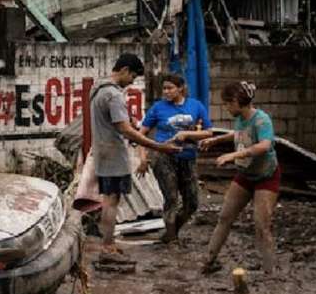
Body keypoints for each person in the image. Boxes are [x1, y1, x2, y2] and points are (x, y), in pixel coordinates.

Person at [90, 53, 178, 255]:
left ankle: (107, 243)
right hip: (113, 155)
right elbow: (126, 130)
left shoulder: (97, 89)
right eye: (132, 77)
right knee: (112, 201)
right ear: (124, 70)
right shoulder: (113, 95)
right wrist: (158, 146)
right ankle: (108, 245)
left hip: (103, 152)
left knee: (108, 199)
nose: (131, 82)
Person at [193, 81, 280, 275]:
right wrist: (217, 139)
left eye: (227, 103)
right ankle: (209, 260)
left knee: (261, 224)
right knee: (224, 217)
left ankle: (269, 271)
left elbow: (265, 145)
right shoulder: (241, 118)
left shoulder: (261, 120)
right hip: (245, 174)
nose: (225, 108)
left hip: (266, 176)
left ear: (236, 101)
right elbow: (239, 133)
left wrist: (234, 155)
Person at [136, 74, 212, 245]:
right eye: (164, 88)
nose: (166, 92)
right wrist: (143, 159)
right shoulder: (158, 108)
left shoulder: (196, 106)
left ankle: (171, 232)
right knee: (171, 198)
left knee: (192, 203)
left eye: (170, 88)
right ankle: (172, 238)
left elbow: (208, 132)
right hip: (163, 157)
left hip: (188, 157)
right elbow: (140, 135)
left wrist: (187, 134)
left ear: (181, 88)